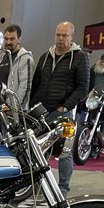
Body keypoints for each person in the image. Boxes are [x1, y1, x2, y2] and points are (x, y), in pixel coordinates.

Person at [30, 21, 89, 197]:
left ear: (72, 37)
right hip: (42, 112)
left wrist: (65, 107)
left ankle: (63, 188)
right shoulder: (45, 57)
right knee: (39, 150)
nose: (61, 38)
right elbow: (36, 84)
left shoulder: (80, 57)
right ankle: (38, 185)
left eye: (65, 35)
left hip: (63, 111)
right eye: (58, 35)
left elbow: (83, 87)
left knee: (64, 151)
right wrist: (33, 108)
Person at [0, 24, 33, 108]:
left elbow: (25, 88)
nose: (8, 42)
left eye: (12, 39)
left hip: (11, 111)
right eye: (6, 39)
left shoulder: (25, 59)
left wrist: (13, 109)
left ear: (19, 40)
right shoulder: (1, 58)